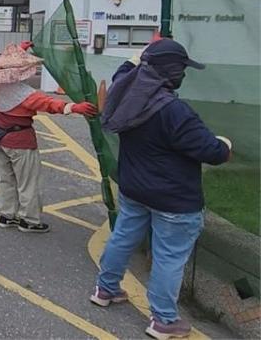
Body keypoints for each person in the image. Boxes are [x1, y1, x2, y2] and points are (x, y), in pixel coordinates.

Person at [90, 38, 230, 340]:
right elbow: (213, 152)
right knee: (169, 257)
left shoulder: (125, 93)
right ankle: (164, 320)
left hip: (134, 190)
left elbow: (121, 72)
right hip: (174, 201)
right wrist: (226, 146)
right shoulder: (175, 111)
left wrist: (138, 55)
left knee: (123, 238)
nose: (184, 74)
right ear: (171, 73)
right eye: (182, 68)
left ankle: (105, 288)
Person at [0, 41, 97, 233]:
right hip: (21, 142)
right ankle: (29, 220)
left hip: (0, 139)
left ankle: (7, 215)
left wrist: (19, 50)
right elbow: (51, 104)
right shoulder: (24, 94)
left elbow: (0, 63)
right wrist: (74, 107)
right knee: (28, 183)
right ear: (19, 72)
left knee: (6, 179)